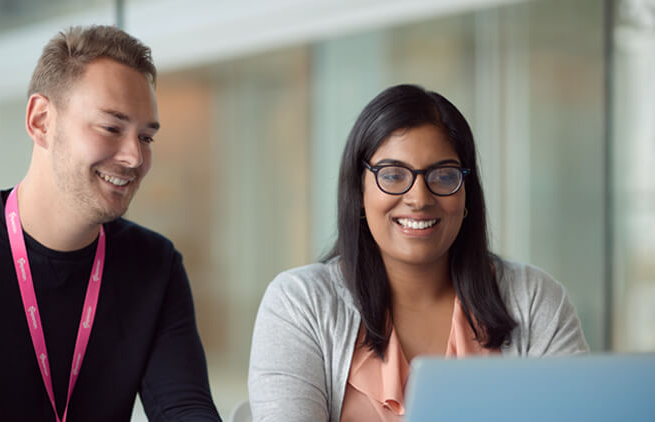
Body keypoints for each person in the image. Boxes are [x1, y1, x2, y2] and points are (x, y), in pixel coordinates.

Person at [0, 25, 220, 421]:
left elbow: (185, 408)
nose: (134, 157)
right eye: (111, 128)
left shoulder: (155, 264)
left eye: (146, 138)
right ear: (41, 121)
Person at [248, 84, 589, 421]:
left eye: (443, 176)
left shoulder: (533, 298)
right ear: (359, 189)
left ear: (466, 191)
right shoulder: (299, 303)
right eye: (393, 175)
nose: (420, 198)